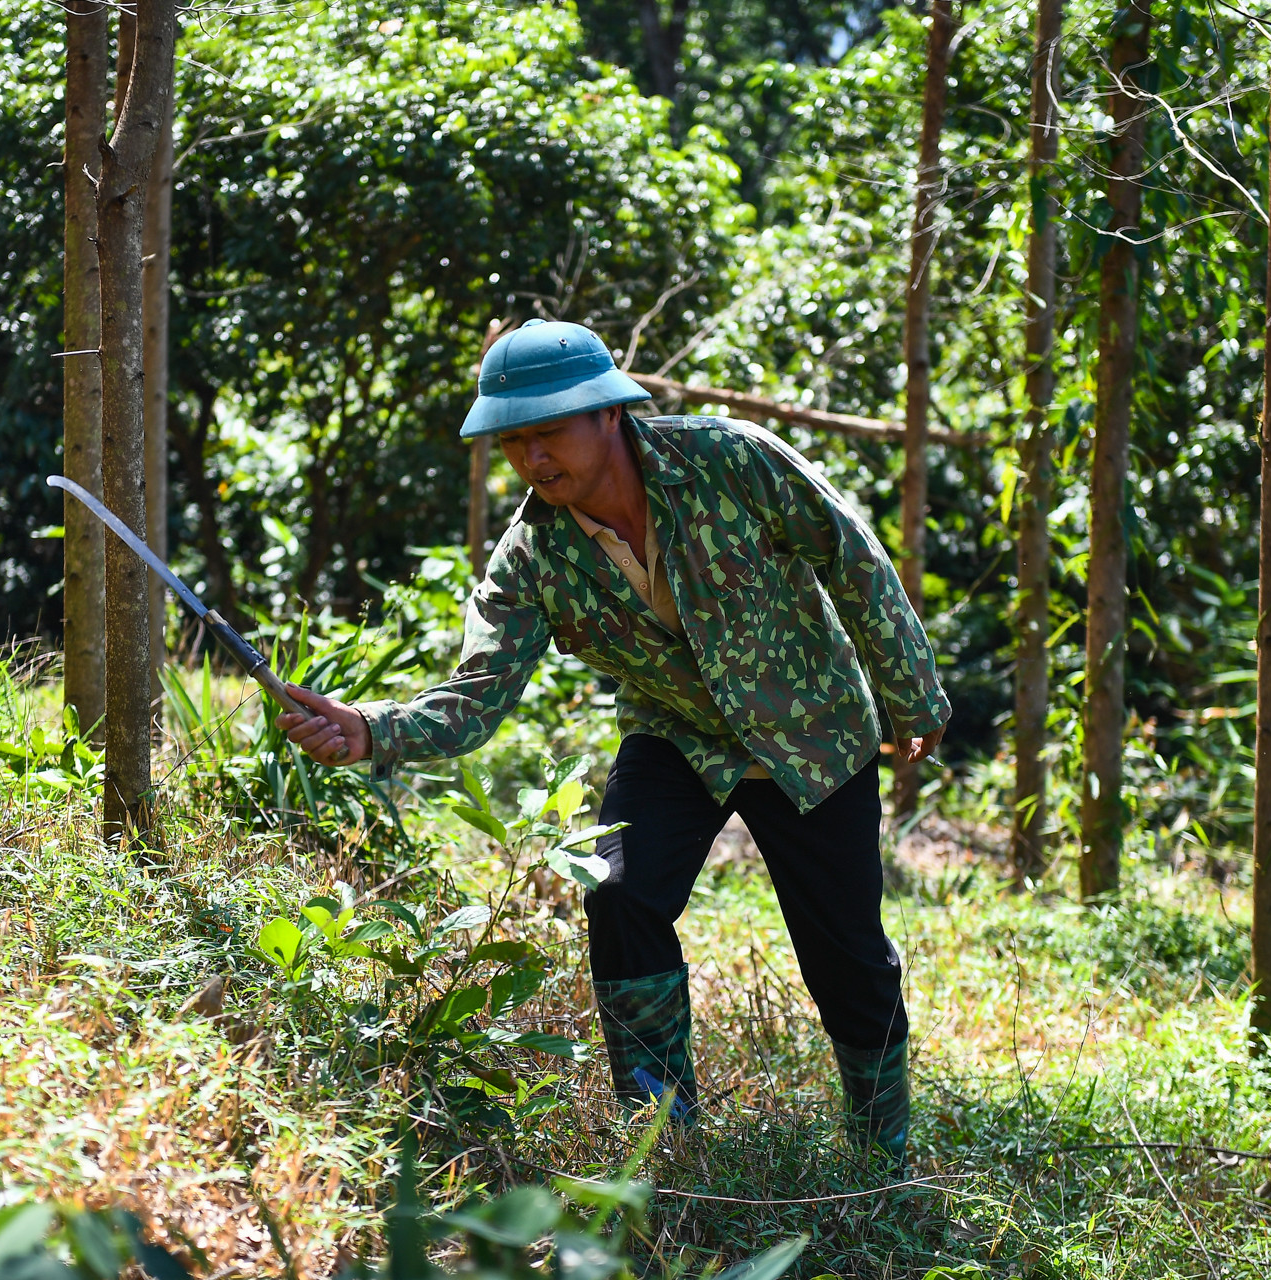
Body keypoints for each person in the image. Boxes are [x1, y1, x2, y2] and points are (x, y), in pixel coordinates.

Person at [279, 319, 948, 1162]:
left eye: (549, 432)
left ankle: (880, 1142)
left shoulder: (730, 460)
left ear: (609, 416)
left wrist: (911, 697)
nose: (533, 459)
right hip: (676, 737)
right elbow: (477, 697)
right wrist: (367, 729)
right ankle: (662, 1134)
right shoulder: (531, 558)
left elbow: (854, 559)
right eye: (514, 441)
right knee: (620, 893)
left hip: (809, 731)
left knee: (844, 951)